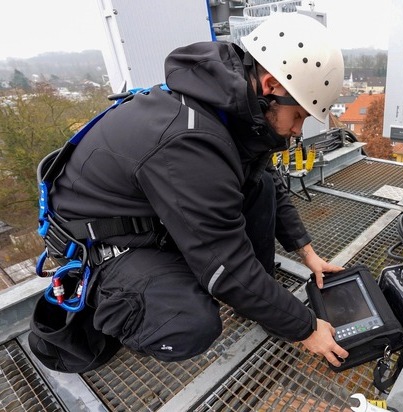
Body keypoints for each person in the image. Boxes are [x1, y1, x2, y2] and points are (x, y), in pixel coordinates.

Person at [32, 13, 349, 369]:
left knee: (258, 185)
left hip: (148, 210)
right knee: (189, 324)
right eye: (299, 115)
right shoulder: (189, 141)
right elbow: (226, 265)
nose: (297, 130)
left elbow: (266, 178)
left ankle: (259, 300)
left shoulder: (227, 106)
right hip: (104, 240)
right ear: (271, 85)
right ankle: (114, 302)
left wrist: (306, 252)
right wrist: (305, 328)